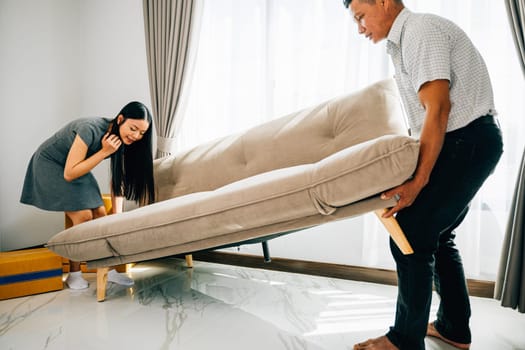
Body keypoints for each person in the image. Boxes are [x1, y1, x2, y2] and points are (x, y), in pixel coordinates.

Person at [343, 0, 503, 349]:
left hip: (467, 140)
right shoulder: (403, 43)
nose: (360, 28)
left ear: (383, 2)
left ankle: (403, 340)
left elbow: (439, 108)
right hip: (467, 141)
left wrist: (418, 182)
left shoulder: (420, 32)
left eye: (360, 17)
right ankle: (453, 328)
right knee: (437, 233)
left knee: (412, 230)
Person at [21, 101, 156, 290]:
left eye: (141, 133)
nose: (136, 136)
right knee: (83, 216)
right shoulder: (89, 129)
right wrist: (104, 152)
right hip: (50, 165)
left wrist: (116, 214)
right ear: (120, 119)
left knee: (101, 215)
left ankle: (109, 271)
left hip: (77, 166)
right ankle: (74, 274)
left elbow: (117, 178)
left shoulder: (122, 138)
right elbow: (69, 173)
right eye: (133, 128)